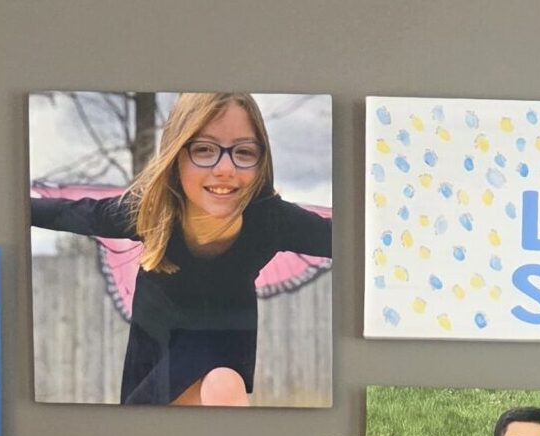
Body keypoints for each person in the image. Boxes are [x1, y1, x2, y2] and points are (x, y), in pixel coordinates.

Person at [30, 91, 333, 406]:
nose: (225, 167)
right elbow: (71, 212)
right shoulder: (151, 212)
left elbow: (345, 238)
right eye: (204, 149)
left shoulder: (269, 218)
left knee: (222, 384)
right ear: (176, 157)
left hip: (222, 358)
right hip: (153, 360)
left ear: (261, 161)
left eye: (243, 152)